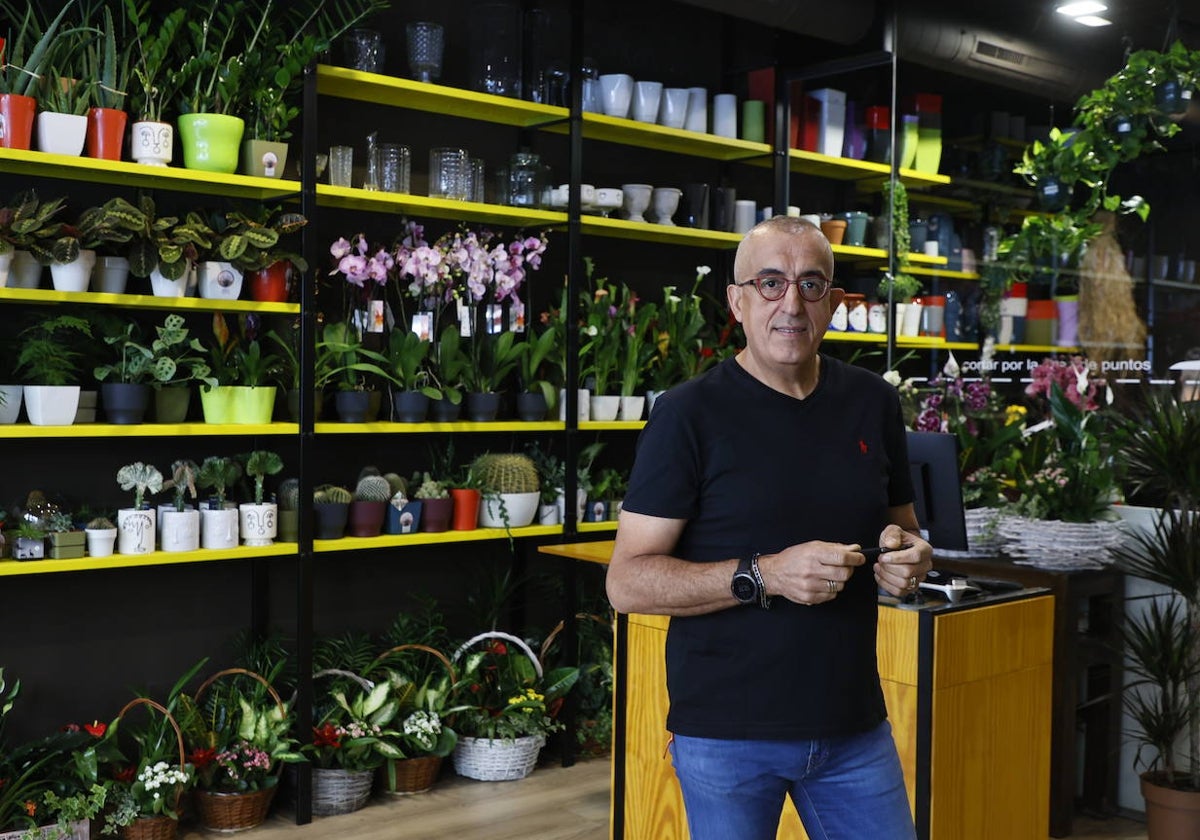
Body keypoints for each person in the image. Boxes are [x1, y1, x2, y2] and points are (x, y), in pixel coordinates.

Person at [607, 215, 934, 840]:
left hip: (854, 727)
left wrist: (910, 559)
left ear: (835, 304)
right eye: (770, 282)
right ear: (737, 300)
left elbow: (905, 532)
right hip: (726, 735)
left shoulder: (872, 402)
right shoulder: (686, 415)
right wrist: (766, 575)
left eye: (812, 285)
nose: (792, 303)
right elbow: (628, 583)